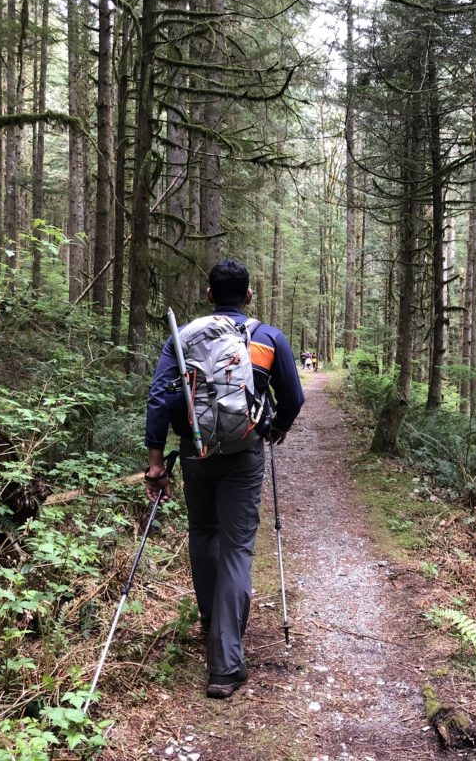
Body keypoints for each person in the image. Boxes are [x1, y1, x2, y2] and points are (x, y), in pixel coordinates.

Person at [144, 258, 304, 699]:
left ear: (209, 294)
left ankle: (214, 624)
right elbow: (293, 396)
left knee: (203, 535)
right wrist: (277, 428)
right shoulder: (267, 338)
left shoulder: (184, 339)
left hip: (195, 452)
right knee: (237, 550)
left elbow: (159, 397)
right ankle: (226, 664)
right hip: (243, 454)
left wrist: (156, 461)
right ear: (248, 295)